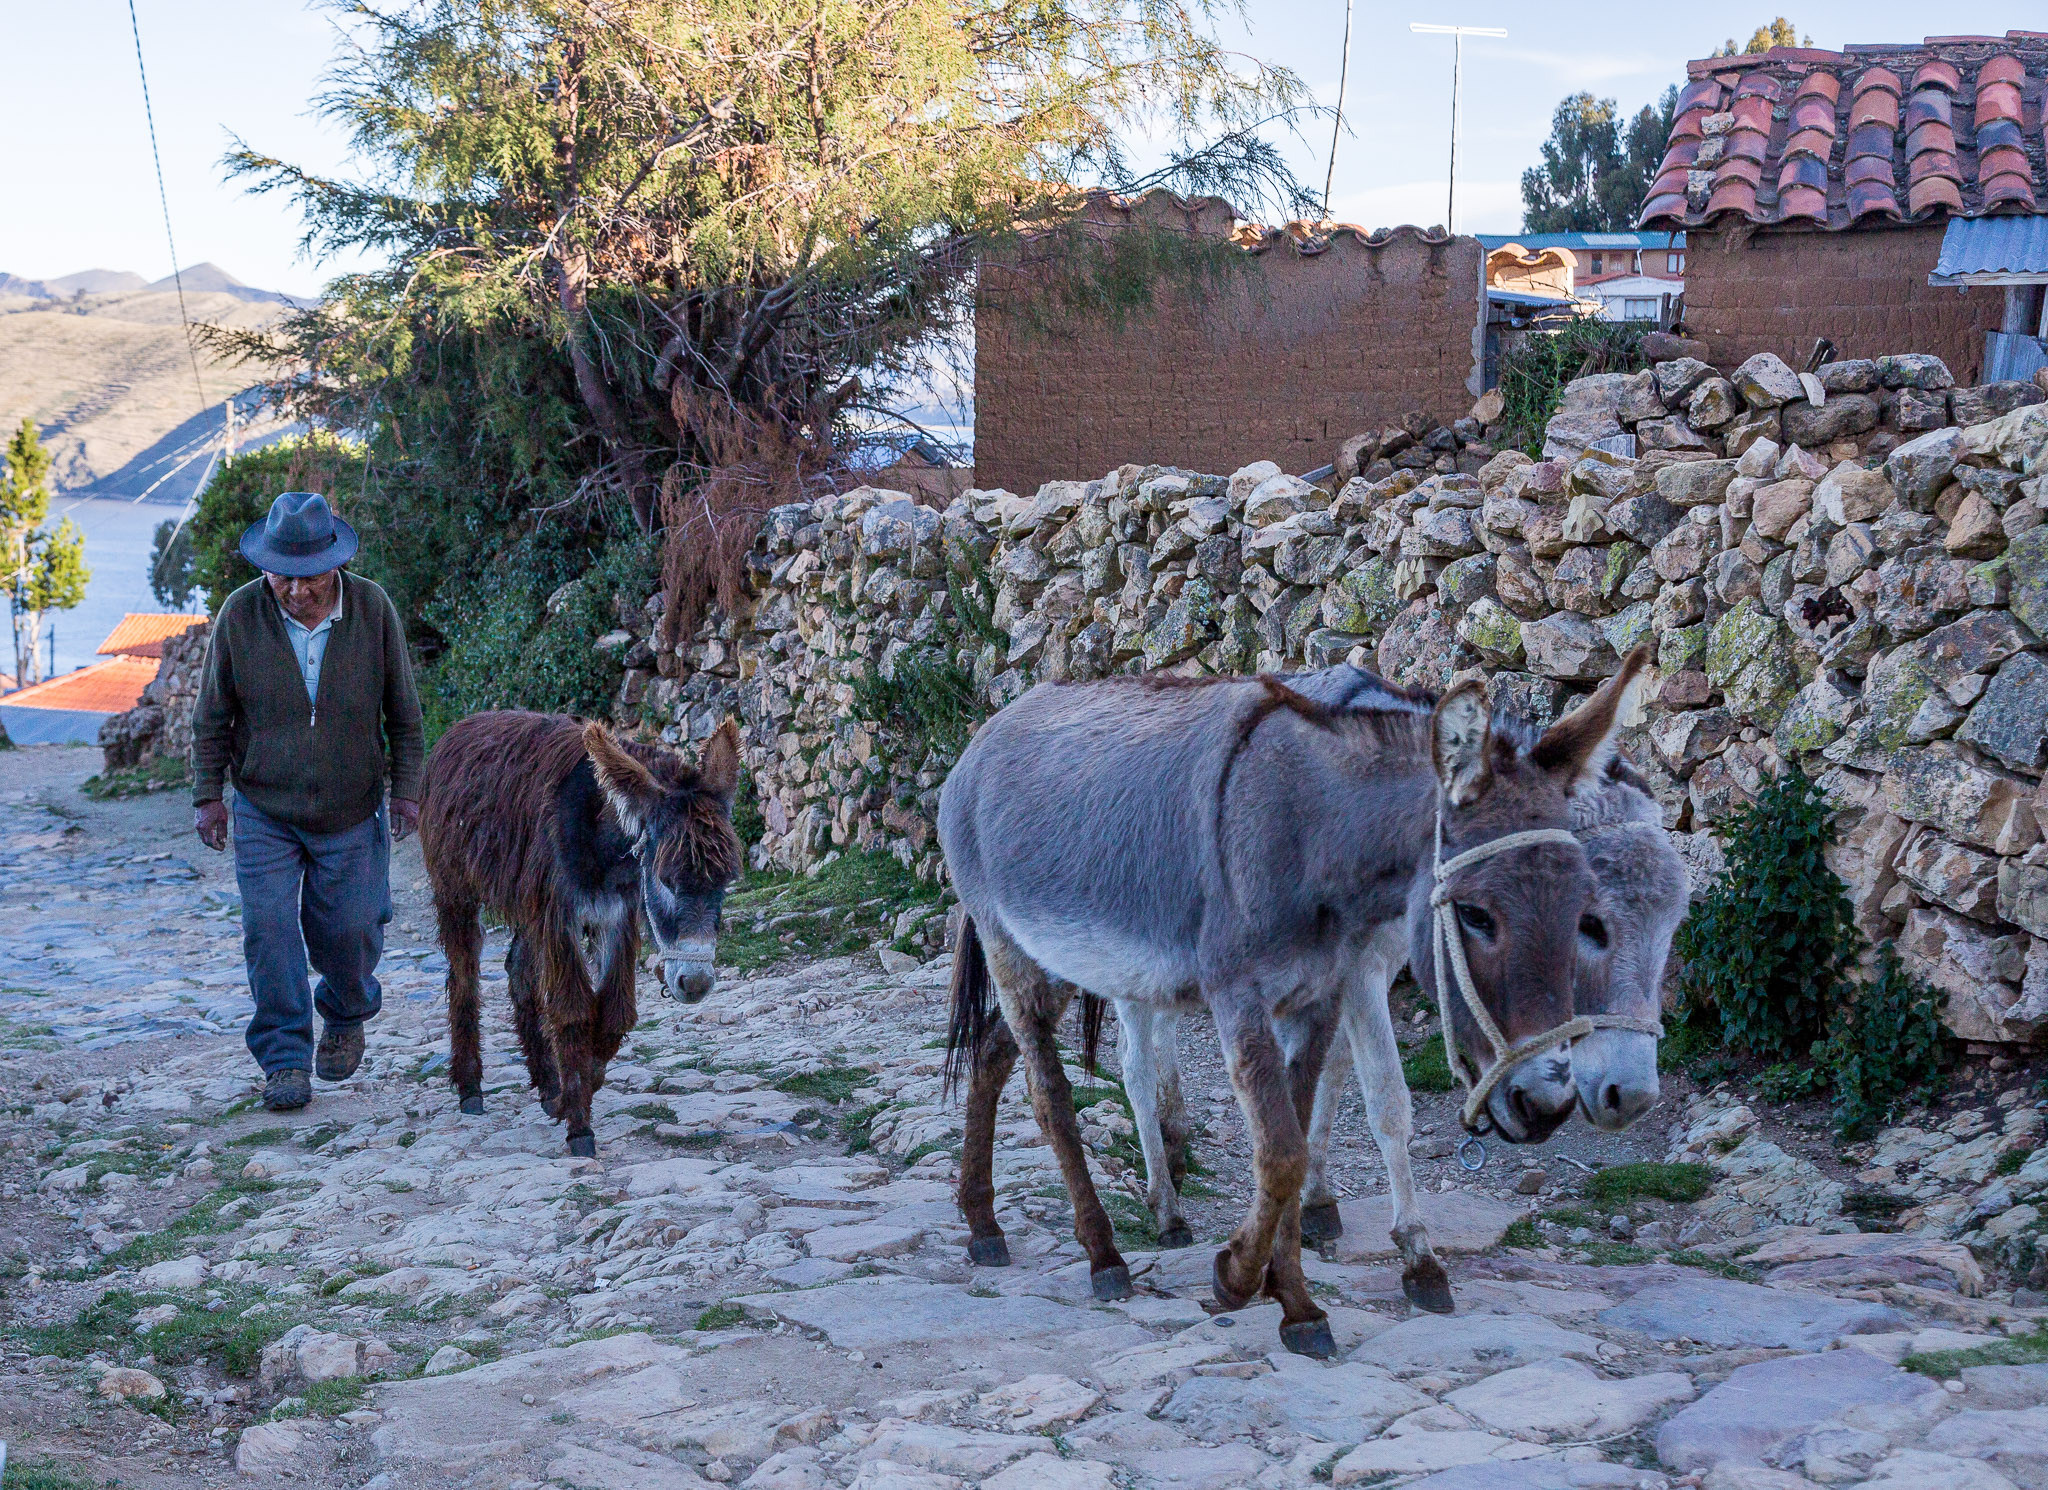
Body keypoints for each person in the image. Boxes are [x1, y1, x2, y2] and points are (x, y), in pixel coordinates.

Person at [191, 492, 424, 1112]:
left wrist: (406, 793)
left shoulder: (372, 608)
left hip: (351, 806)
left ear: (334, 562)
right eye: (281, 576)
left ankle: (346, 1012)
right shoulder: (241, 614)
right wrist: (207, 798)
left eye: (308, 576)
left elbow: (403, 713)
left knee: (351, 930)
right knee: (269, 931)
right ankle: (286, 1059)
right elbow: (212, 715)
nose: (294, 591)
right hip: (265, 806)